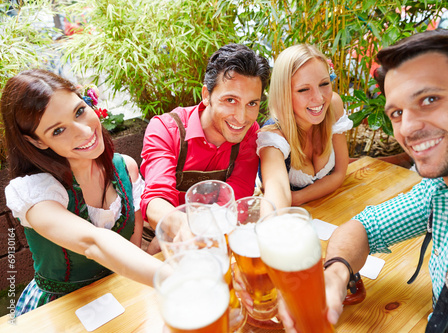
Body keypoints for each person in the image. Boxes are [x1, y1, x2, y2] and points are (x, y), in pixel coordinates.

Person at [279, 29, 448, 332]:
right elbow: (366, 226)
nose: (407, 128)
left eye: (430, 99)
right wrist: (335, 275)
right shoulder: (447, 184)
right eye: (396, 112)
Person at [1, 69, 162, 316]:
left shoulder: (125, 168)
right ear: (36, 141)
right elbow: (93, 243)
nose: (84, 131)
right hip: (62, 308)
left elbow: (134, 244)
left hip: (120, 291)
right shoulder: (36, 193)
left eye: (79, 111)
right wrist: (178, 281)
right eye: (58, 130)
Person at [140, 43, 271, 238]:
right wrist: (179, 231)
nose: (242, 118)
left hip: (220, 227)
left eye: (251, 103)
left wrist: (202, 231)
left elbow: (238, 194)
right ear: (206, 96)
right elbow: (156, 200)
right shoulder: (166, 129)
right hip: (161, 230)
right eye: (230, 100)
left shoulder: (250, 133)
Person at [257, 44, 352, 209]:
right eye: (303, 90)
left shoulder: (333, 106)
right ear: (283, 93)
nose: (319, 98)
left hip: (333, 208)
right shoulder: (273, 136)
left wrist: (298, 197)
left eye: (324, 84)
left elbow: (339, 174)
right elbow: (276, 199)